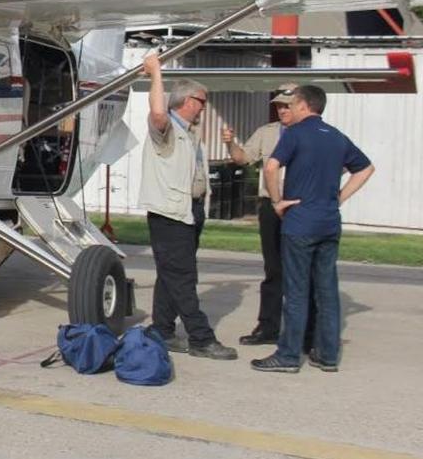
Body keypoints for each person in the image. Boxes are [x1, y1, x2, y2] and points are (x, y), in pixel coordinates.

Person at [252, 85, 374, 373]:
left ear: (304, 105)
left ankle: (288, 355)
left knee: (296, 291)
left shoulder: (294, 134)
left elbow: (271, 167)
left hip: (300, 222)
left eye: (292, 104)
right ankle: (327, 354)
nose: (289, 109)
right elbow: (366, 168)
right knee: (327, 290)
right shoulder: (336, 136)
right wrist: (339, 198)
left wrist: (277, 202)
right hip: (329, 222)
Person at [139, 54, 237, 360]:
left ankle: (162, 329)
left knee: (170, 274)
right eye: (202, 101)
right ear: (188, 100)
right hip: (170, 214)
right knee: (183, 277)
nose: (204, 108)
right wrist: (156, 72)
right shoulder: (166, 128)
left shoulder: (189, 134)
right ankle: (201, 338)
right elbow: (157, 111)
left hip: (190, 210)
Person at [223, 83, 313, 347]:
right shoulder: (267, 132)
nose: (283, 110)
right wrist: (230, 143)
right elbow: (242, 158)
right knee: (273, 269)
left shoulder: (313, 133)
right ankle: (268, 327)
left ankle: (307, 331)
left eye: (288, 105)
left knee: (303, 269)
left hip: (300, 206)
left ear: (301, 105)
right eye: (279, 106)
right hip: (271, 207)